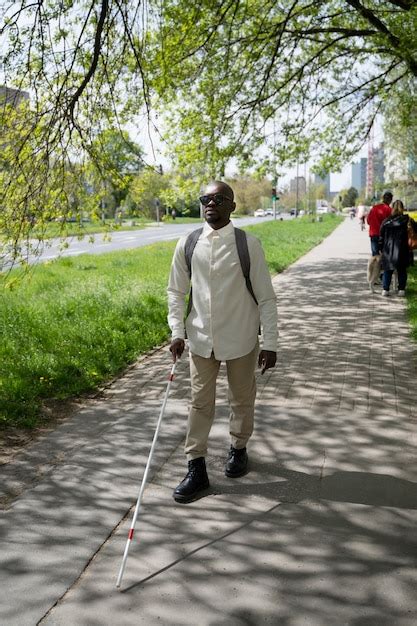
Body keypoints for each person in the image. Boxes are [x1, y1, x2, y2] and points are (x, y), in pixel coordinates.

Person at [167, 180, 278, 504]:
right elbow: (176, 292)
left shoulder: (248, 244)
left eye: (218, 199)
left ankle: (238, 447)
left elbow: (266, 298)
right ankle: (196, 466)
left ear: (232, 205)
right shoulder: (187, 243)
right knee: (200, 404)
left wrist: (270, 342)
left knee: (241, 401)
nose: (210, 203)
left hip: (241, 337)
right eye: (205, 198)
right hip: (201, 339)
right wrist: (177, 332)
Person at [379, 199, 412, 297]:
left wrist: (381, 248)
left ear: (392, 208)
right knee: (402, 270)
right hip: (402, 249)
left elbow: (381, 236)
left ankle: (385, 289)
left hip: (388, 249)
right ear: (403, 208)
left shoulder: (386, 221)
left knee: (387, 270)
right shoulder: (407, 220)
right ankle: (401, 289)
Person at [367, 191, 393, 256]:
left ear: (383, 198)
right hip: (384, 235)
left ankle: (376, 266)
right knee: (385, 254)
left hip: (373, 234)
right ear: (390, 200)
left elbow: (368, 221)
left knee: (375, 255)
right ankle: (383, 265)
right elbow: (390, 223)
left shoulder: (374, 208)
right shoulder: (389, 209)